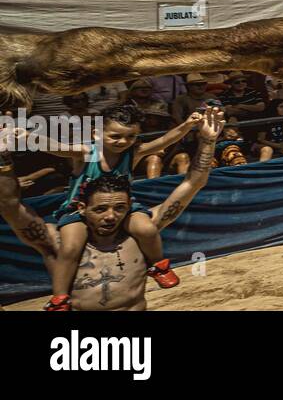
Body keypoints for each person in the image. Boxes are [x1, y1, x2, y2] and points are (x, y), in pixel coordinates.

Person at [0, 106, 223, 312]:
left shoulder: (133, 153)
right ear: (97, 133)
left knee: (146, 229)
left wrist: (189, 127)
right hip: (75, 211)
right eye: (115, 136)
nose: (123, 141)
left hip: (128, 207)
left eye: (130, 136)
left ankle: (158, 265)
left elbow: (165, 142)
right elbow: (58, 148)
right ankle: (60, 298)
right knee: (69, 248)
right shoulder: (87, 153)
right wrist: (28, 137)